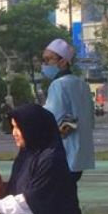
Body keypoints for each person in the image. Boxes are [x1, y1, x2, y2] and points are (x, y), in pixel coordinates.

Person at [40, 38, 95, 181]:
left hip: (63, 153)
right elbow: (89, 118)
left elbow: (50, 119)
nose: (45, 64)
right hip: (80, 153)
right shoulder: (82, 84)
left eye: (48, 60)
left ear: (63, 61)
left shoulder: (58, 85)